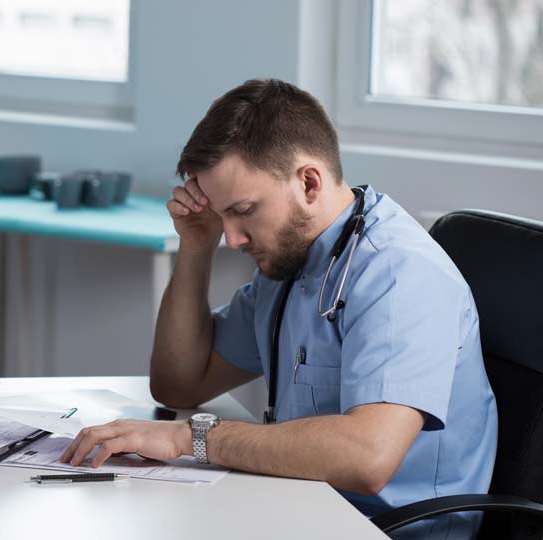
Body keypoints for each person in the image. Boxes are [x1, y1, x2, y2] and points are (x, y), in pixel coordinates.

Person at [61, 79, 497, 539]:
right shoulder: (293, 265)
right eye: (222, 216)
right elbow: (179, 384)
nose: (232, 238)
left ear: (309, 182)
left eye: (244, 210)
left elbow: (368, 457)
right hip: (297, 508)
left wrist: (191, 437)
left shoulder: (398, 274)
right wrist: (196, 246)